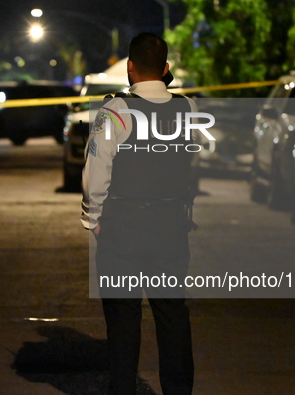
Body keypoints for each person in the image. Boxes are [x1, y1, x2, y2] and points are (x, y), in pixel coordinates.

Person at [81, 33, 197, 395]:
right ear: (166, 69)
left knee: (123, 321)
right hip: (170, 227)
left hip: (123, 228)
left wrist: (93, 219)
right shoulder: (189, 110)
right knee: (172, 316)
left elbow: (95, 176)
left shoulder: (115, 111)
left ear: (129, 67)